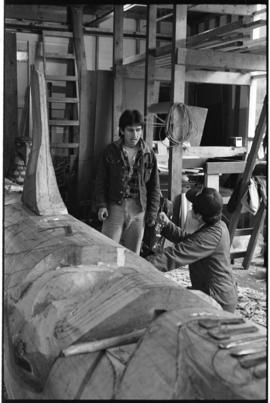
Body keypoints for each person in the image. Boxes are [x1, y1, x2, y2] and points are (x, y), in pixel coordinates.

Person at [147, 187, 238, 313]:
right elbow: (190, 241)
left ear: (199, 215)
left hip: (217, 302)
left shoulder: (210, 236)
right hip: (214, 293)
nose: (190, 208)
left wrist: (142, 266)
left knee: (160, 308)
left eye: (192, 205)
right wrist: (167, 225)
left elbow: (175, 255)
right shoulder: (218, 225)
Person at [95, 109, 161, 254]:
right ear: (122, 130)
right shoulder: (110, 151)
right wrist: (102, 205)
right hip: (115, 207)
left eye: (138, 130)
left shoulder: (148, 154)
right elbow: (100, 181)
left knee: (133, 254)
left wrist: (152, 213)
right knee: (108, 252)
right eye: (130, 130)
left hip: (138, 209)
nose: (135, 135)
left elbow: (154, 186)